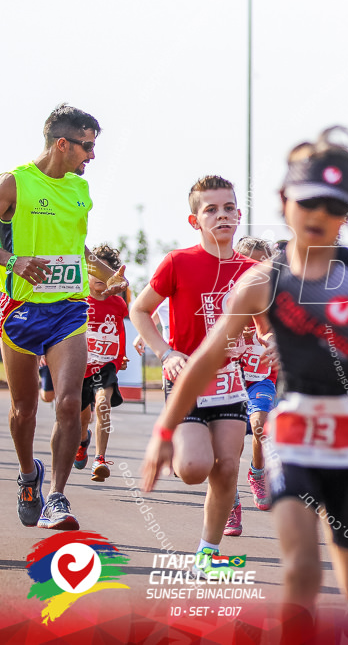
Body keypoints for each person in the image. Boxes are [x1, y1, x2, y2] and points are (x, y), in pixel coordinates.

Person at [140, 129, 348, 618]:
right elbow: (201, 363)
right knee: (302, 568)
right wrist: (163, 430)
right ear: (285, 203)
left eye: (335, 206)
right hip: (294, 439)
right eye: (309, 203)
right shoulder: (260, 282)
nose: (320, 216)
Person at [1, 103, 128, 530]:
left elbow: (78, 245)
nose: (92, 156)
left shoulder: (80, 189)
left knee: (71, 403)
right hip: (20, 310)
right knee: (24, 410)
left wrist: (106, 274)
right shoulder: (13, 184)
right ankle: (27, 476)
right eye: (87, 147)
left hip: (69, 310)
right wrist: (13, 260)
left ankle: (56, 496)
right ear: (62, 143)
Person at [130, 174, 257, 573]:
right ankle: (177, 443)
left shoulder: (254, 271)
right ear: (195, 221)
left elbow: (269, 325)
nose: (222, 215)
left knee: (228, 467)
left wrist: (264, 344)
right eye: (212, 210)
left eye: (229, 208)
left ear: (239, 215)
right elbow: (139, 309)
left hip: (230, 384)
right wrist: (165, 353)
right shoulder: (178, 263)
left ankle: (207, 553)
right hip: (186, 383)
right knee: (193, 469)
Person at [77, 244, 130, 482]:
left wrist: (122, 356)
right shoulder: (77, 300)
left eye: (106, 273)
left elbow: (120, 331)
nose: (100, 278)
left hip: (104, 366)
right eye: (96, 272)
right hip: (79, 366)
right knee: (81, 416)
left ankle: (100, 458)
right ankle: (82, 440)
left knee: (103, 404)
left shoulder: (118, 304)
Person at [233, 236, 276, 511]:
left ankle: (257, 473)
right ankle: (229, 501)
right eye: (248, 263)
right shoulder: (224, 296)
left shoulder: (274, 297)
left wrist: (268, 336)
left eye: (260, 263)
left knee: (260, 425)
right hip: (228, 381)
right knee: (231, 442)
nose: (254, 268)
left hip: (261, 377)